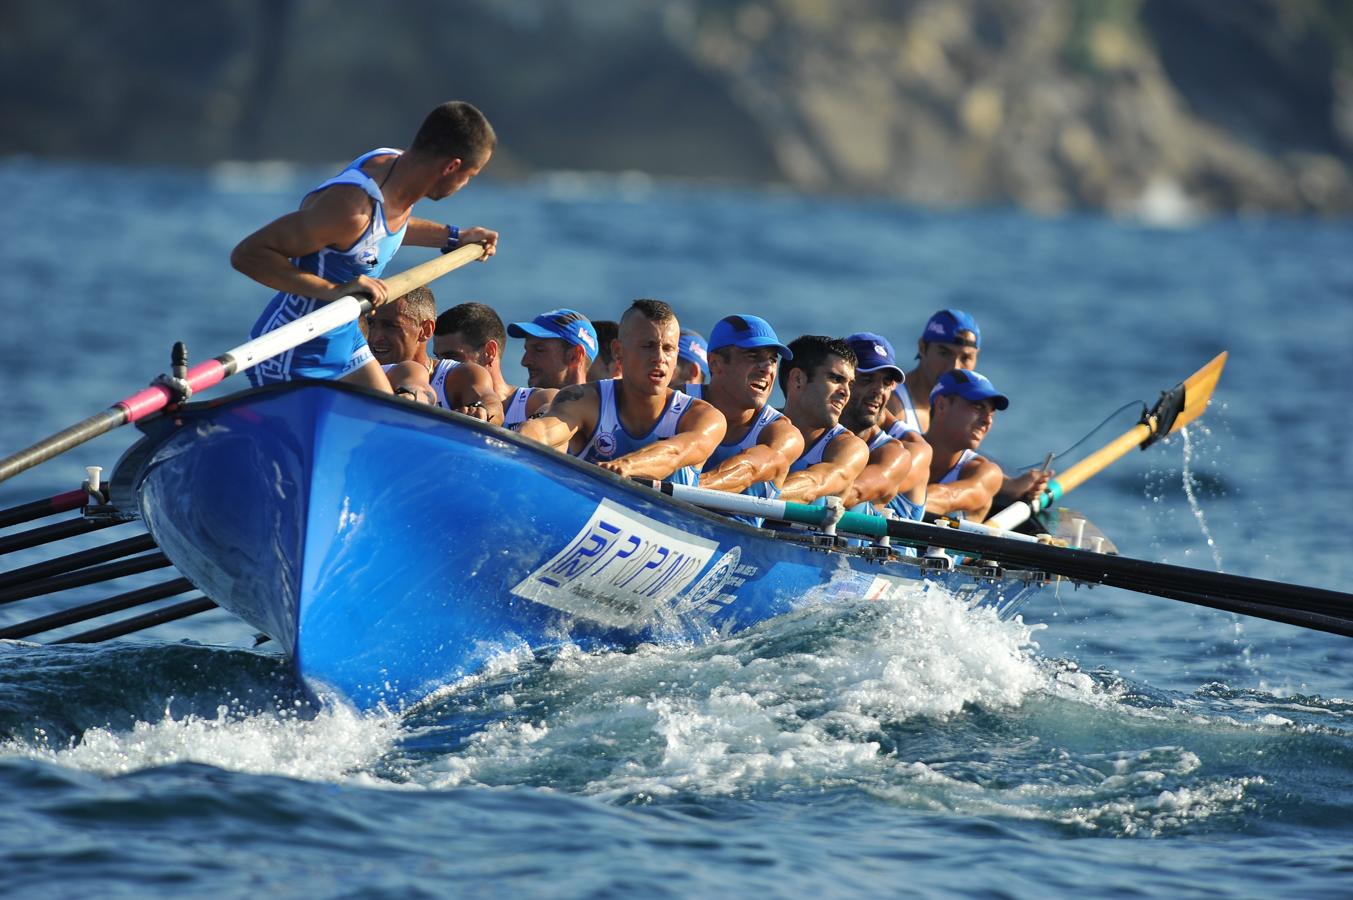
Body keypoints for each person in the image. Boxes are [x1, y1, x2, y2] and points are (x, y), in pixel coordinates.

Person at [233, 101, 499, 391]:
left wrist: (456, 237)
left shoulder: (399, 170)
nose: (466, 184)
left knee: (387, 423)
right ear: (451, 167)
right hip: (294, 349)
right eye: (470, 176)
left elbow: (383, 230)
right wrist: (333, 291)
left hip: (347, 340)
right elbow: (248, 255)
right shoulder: (350, 208)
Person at [518, 299, 725, 484]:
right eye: (648, 346)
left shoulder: (705, 418)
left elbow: (674, 453)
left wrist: (627, 466)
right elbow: (546, 430)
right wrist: (516, 438)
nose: (659, 358)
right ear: (618, 351)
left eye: (668, 348)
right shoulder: (585, 401)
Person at [691, 316, 804, 525]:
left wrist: (687, 489)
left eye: (772, 359)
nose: (767, 368)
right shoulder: (675, 401)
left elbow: (749, 468)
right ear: (715, 363)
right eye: (753, 355)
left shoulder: (783, 434)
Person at [364, 287, 501, 422]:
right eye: (371, 324)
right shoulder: (355, 372)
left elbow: (492, 405)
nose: (375, 337)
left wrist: (481, 411)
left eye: (390, 326)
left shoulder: (461, 376)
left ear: (425, 330)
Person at [838, 333, 931, 522]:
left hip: (888, 551)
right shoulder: (814, 430)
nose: (879, 390)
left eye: (886, 382)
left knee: (858, 507)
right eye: (867, 378)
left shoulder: (906, 450)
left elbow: (854, 492)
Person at [776, 336, 869, 505]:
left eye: (850, 384)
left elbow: (814, 483)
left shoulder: (850, 448)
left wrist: (743, 496)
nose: (846, 392)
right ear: (798, 379)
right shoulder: (757, 422)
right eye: (836, 379)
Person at [432, 302, 556, 427]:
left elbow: (552, 409)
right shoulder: (433, 396)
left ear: (489, 352)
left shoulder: (537, 401)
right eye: (438, 358)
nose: (443, 366)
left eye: (452, 357)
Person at [922, 369, 1012, 522]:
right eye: (978, 407)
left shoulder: (986, 472)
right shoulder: (902, 449)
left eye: (991, 413)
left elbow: (948, 497)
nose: (987, 421)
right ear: (942, 405)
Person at [885, 309, 980, 435]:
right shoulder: (892, 404)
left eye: (966, 358)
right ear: (922, 348)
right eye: (944, 353)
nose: (955, 367)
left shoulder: (962, 415)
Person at [508, 308, 598, 389]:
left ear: (575, 355)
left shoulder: (606, 406)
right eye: (526, 350)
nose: (524, 362)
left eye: (539, 349)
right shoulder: (515, 405)